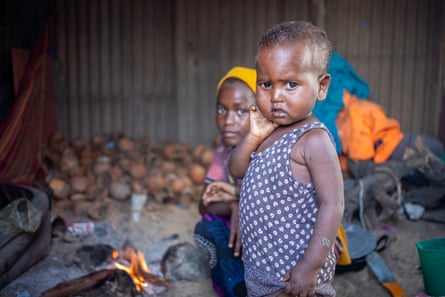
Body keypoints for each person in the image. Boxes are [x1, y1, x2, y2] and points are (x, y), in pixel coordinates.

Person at [229, 21, 344, 297]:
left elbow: (334, 205)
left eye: (291, 84)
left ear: (321, 86)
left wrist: (310, 266)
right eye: (266, 84)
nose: (276, 97)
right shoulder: (267, 131)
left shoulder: (313, 140)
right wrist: (253, 138)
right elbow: (236, 169)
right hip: (261, 273)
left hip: (293, 278)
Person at [194, 66, 257, 297]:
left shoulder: (275, 148)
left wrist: (246, 204)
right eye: (222, 110)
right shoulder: (225, 147)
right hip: (242, 233)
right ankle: (236, 287)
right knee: (206, 226)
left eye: (241, 111)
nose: (228, 121)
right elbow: (204, 203)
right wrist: (234, 205)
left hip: (283, 235)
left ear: (261, 112)